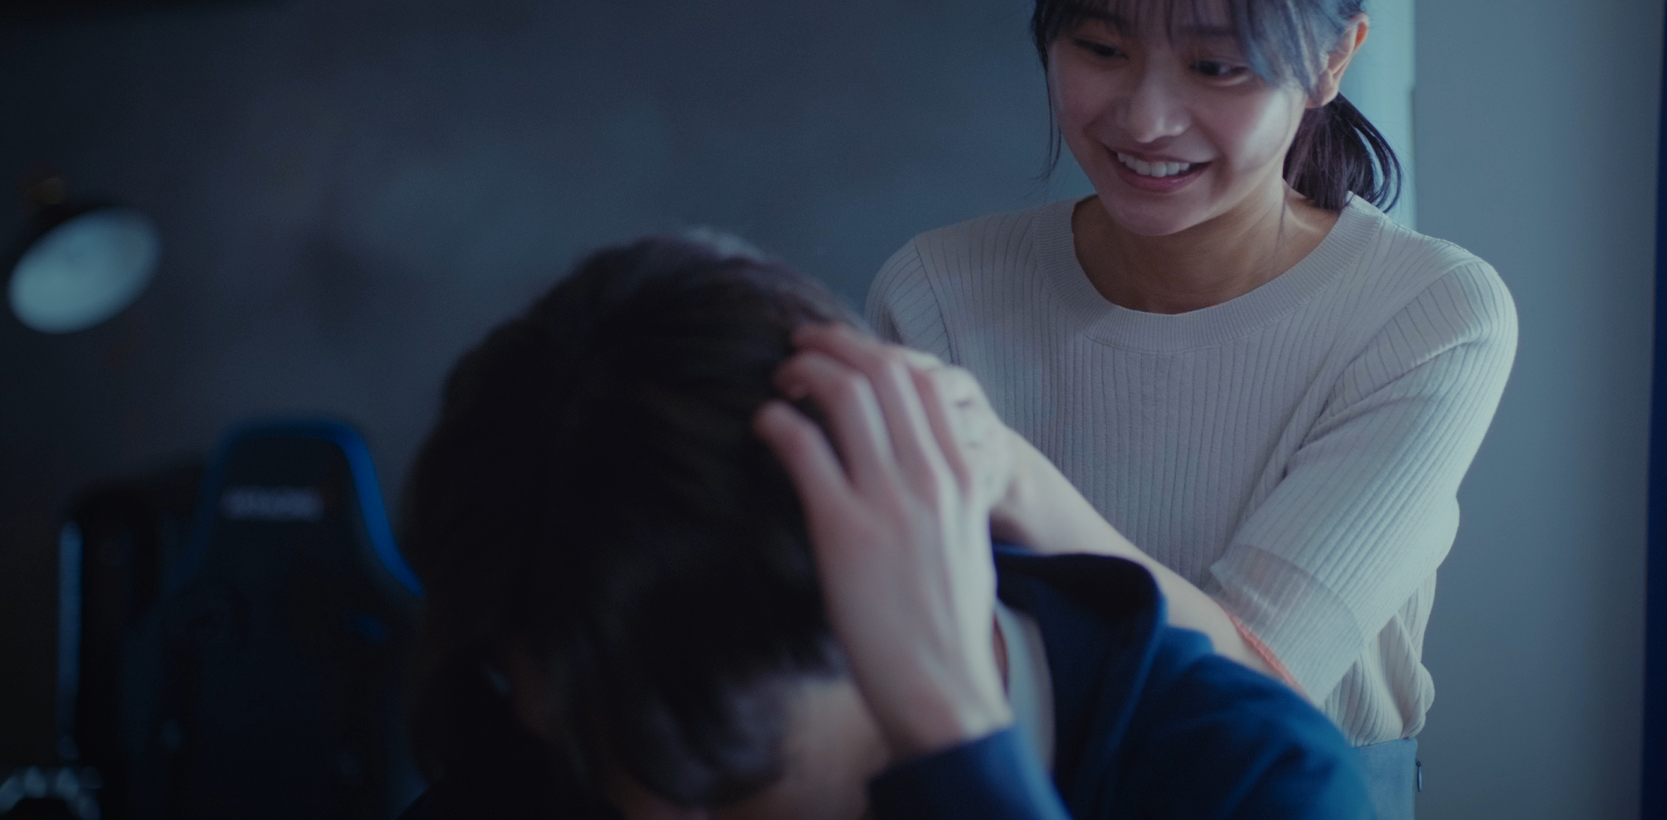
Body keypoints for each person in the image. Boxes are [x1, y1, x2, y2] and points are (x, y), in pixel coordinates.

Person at [855, 0, 1519, 815]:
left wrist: (1018, 482)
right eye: (1100, 49)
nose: (1146, 119)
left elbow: (1249, 687)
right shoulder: (939, 293)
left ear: (1333, 58)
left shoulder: (1427, 315)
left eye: (1216, 65)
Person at [397, 235, 1373, 820]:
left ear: (876, 599)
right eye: (605, 772)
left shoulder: (1251, 782)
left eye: (724, 791)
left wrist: (958, 748)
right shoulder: (577, 692)